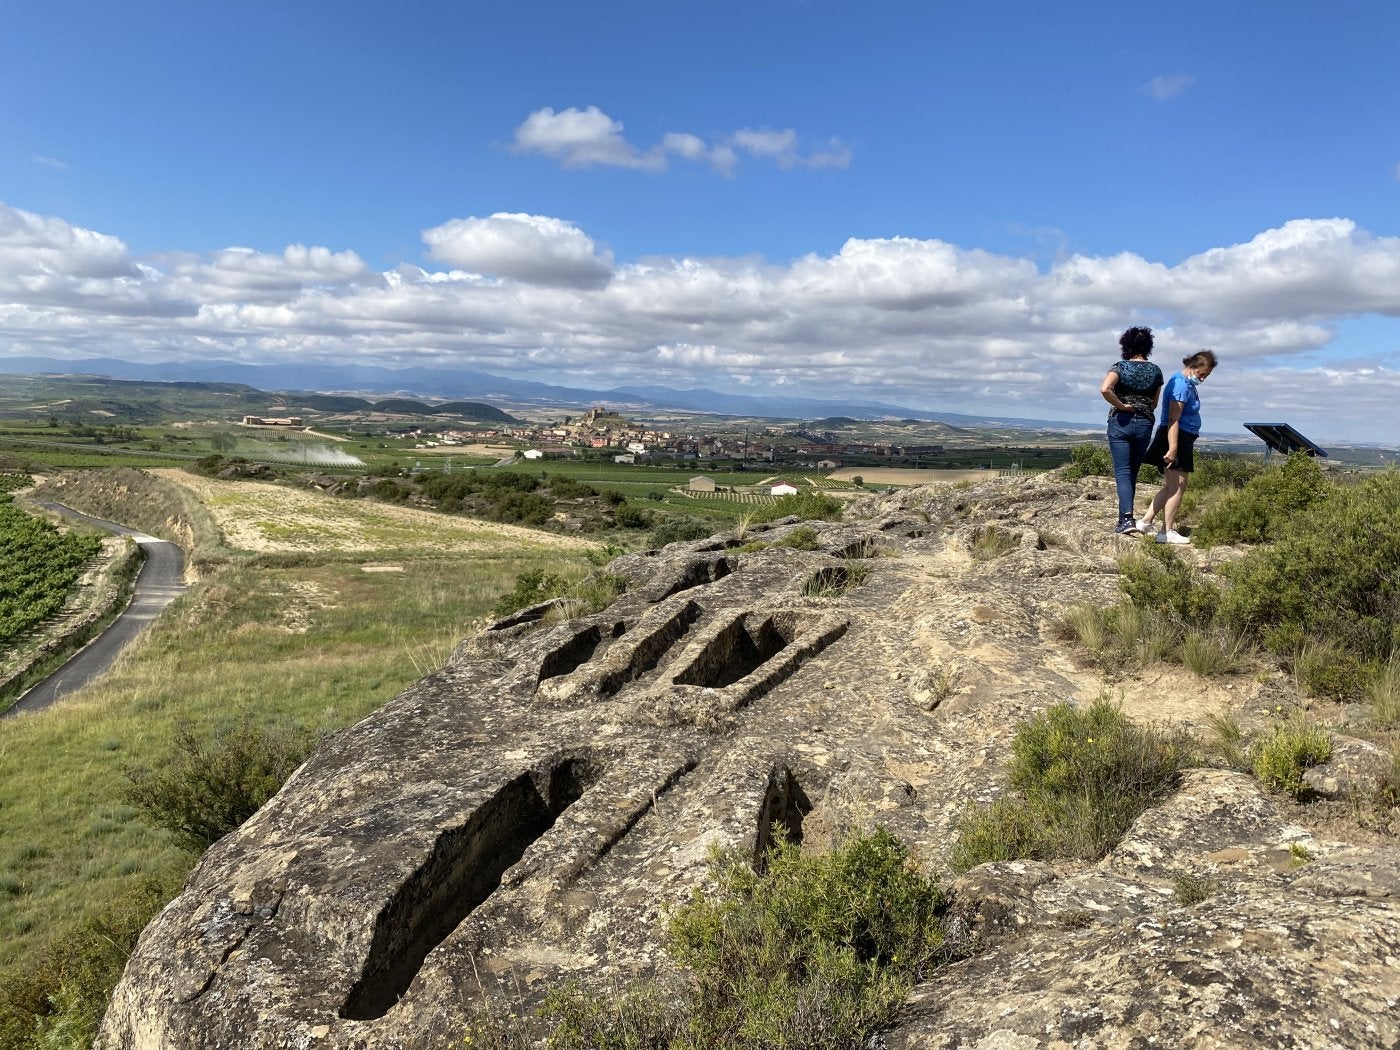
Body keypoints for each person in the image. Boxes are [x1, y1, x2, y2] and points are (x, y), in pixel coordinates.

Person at [1139, 350, 1219, 544]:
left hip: (1177, 437)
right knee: (1178, 487)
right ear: (1191, 366)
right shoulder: (1181, 386)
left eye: (1206, 376)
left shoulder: (1181, 381)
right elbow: (1174, 419)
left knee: (1170, 486)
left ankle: (1146, 522)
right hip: (1177, 437)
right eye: (1201, 374)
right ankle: (1166, 531)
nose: (1203, 378)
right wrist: (1173, 448)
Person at [1100, 327, 1164, 534]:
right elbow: (1155, 402)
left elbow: (1105, 389)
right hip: (1144, 422)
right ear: (1148, 347)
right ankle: (1123, 520)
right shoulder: (1156, 371)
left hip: (1121, 421)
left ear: (1126, 345)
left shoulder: (1119, 367)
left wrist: (1122, 406)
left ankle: (1126, 519)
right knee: (1132, 472)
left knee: (1122, 472)